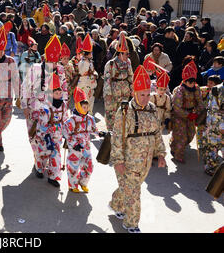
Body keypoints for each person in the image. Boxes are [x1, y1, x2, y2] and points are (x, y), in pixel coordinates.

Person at [109, 65, 166, 233]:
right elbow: (117, 137)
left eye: (148, 94)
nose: (145, 98)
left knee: (129, 188)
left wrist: (161, 154)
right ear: (135, 93)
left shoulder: (152, 109)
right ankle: (131, 223)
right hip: (128, 161)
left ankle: (116, 203)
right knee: (134, 193)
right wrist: (118, 161)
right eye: (142, 94)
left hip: (146, 162)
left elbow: (157, 133)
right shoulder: (125, 111)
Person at [32, 73, 69, 187]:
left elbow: (66, 120)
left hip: (57, 136)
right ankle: (39, 168)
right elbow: (42, 124)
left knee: (56, 156)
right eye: (56, 93)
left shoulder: (63, 105)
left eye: (60, 93)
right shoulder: (45, 107)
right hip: (45, 136)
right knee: (42, 154)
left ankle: (53, 177)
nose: (58, 95)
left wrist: (67, 134)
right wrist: (44, 133)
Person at [62, 87, 98, 193]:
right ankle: (73, 185)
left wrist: (100, 133)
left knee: (89, 165)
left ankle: (83, 182)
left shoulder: (90, 118)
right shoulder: (71, 120)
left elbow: (93, 129)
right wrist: (73, 144)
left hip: (86, 147)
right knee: (73, 167)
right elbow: (66, 134)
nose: (86, 109)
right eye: (84, 107)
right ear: (78, 106)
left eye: (87, 107)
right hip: (75, 148)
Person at [170, 61, 205, 163]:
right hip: (179, 116)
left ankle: (174, 145)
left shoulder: (197, 89)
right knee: (182, 136)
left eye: (194, 81)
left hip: (192, 115)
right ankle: (178, 155)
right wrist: (187, 115)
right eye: (190, 82)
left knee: (190, 134)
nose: (193, 84)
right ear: (184, 81)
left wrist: (196, 113)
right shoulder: (179, 90)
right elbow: (177, 107)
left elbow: (200, 103)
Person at [103, 33, 134, 131]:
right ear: (120, 53)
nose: (127, 56)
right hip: (113, 91)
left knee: (123, 112)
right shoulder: (111, 64)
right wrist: (108, 93)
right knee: (111, 113)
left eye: (128, 54)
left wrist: (132, 89)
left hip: (124, 91)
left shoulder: (128, 62)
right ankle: (111, 131)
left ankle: (121, 130)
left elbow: (131, 76)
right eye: (125, 54)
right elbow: (107, 79)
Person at [202, 81, 223, 176]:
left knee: (211, 148)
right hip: (217, 124)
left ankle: (210, 168)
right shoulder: (218, 89)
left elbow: (209, 108)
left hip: (212, 124)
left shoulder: (215, 89)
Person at [77, 34, 98, 113]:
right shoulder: (83, 62)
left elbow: (92, 71)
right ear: (88, 54)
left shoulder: (88, 61)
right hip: (84, 83)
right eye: (91, 53)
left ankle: (89, 115)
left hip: (89, 83)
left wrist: (94, 74)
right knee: (84, 100)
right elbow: (82, 72)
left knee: (90, 100)